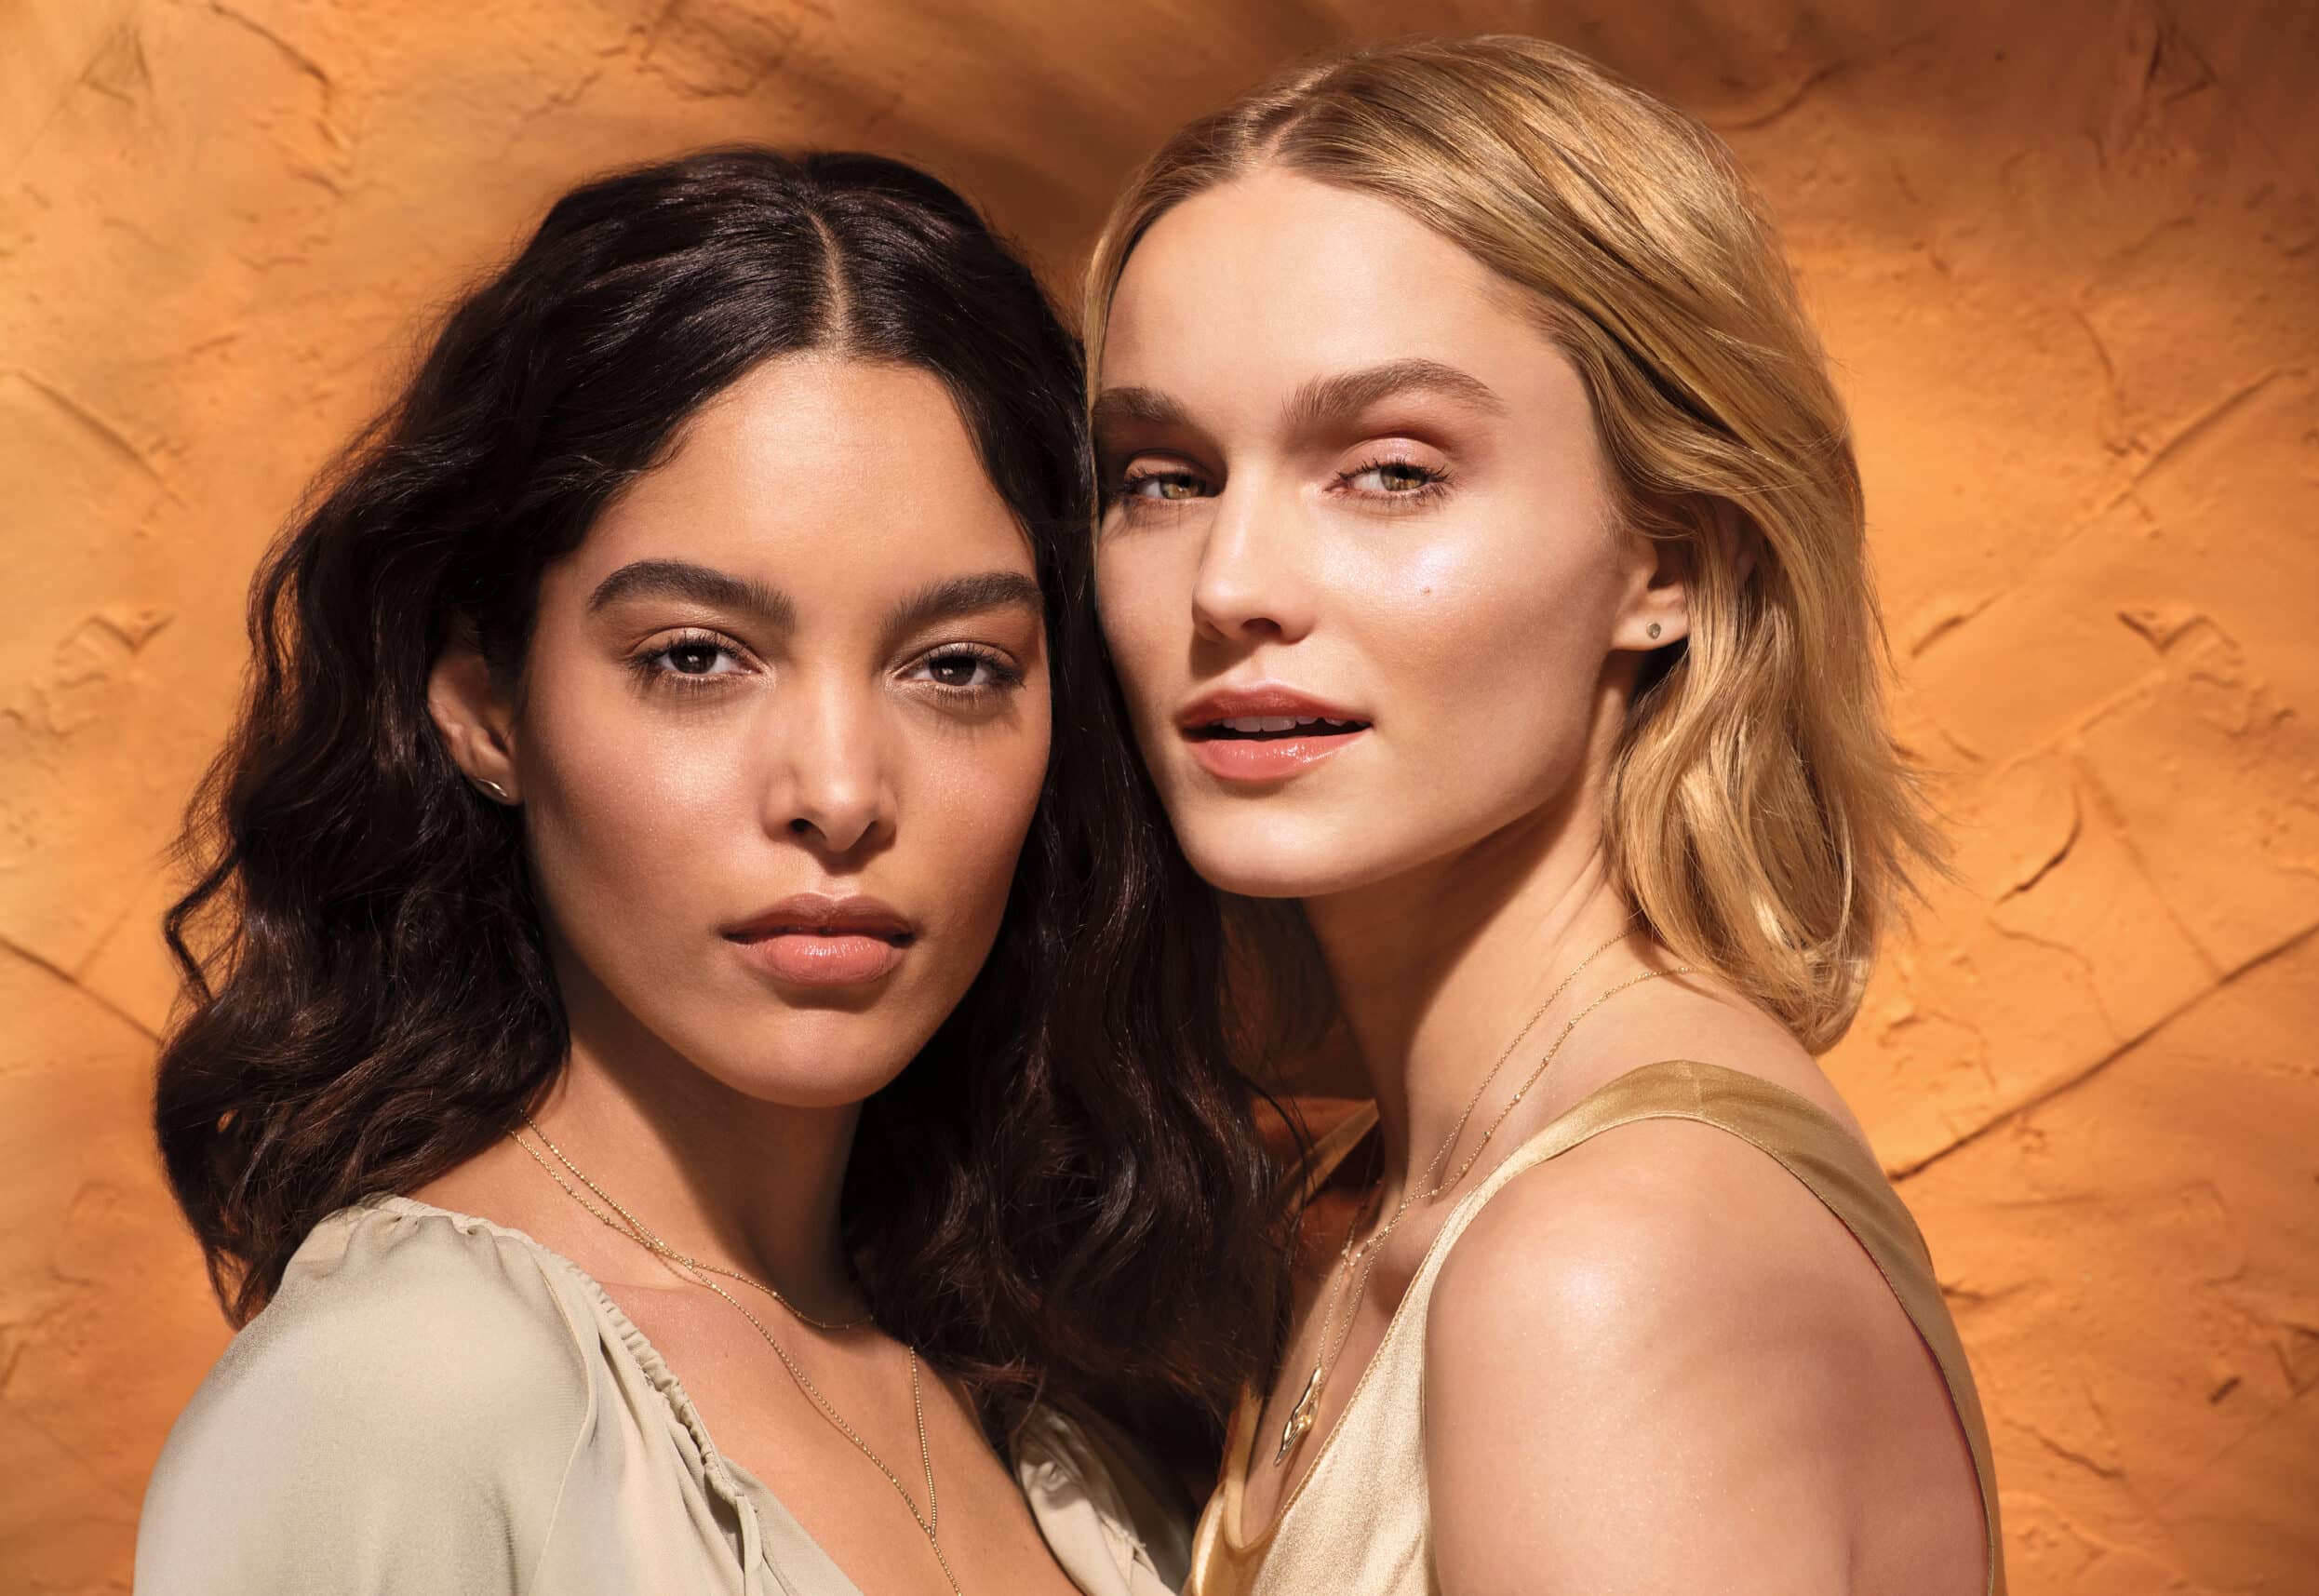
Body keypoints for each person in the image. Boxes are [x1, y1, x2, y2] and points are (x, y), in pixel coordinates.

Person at [136, 147, 1282, 1596]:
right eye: (696, 658)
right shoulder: (396, 1404)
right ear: (489, 705)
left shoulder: (1055, 1403)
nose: (841, 795)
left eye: (955, 667)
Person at [1083, 35, 2003, 1596]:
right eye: (1163, 477)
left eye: (1384, 472)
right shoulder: (1368, 1203)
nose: (1231, 585)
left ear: (1675, 560)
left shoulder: (1610, 1265)